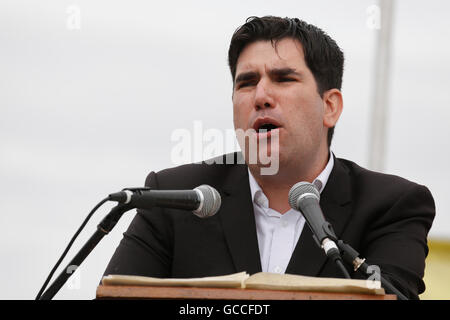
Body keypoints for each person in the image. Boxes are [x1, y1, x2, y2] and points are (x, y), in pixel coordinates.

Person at [103, 16, 435, 299]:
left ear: (330, 106)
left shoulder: (391, 206)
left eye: (283, 78)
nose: (261, 96)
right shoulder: (174, 196)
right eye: (246, 83)